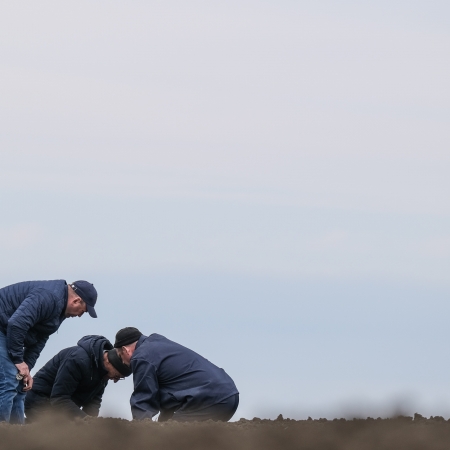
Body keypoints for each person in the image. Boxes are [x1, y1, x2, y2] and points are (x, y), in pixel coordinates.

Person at [0, 279, 98, 423]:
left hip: (9, 331)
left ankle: (17, 437)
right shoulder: (49, 298)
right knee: (9, 380)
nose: (79, 316)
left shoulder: (60, 311)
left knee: (21, 384)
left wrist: (26, 369)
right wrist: (18, 360)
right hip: (4, 327)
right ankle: (4, 436)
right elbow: (16, 324)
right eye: (83, 311)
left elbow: (39, 340)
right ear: (76, 301)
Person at [113, 327, 239, 422]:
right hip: (228, 394)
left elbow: (144, 399)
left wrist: (140, 433)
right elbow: (172, 397)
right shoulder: (157, 344)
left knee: (172, 437)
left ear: (125, 350)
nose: (123, 363)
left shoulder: (141, 357)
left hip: (209, 399)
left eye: (120, 357)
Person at [25, 335, 131, 421]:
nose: (115, 381)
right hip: (38, 401)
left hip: (60, 407)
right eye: (117, 376)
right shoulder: (78, 360)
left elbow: (93, 402)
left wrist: (93, 426)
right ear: (109, 361)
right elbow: (60, 398)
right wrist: (86, 421)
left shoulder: (104, 375)